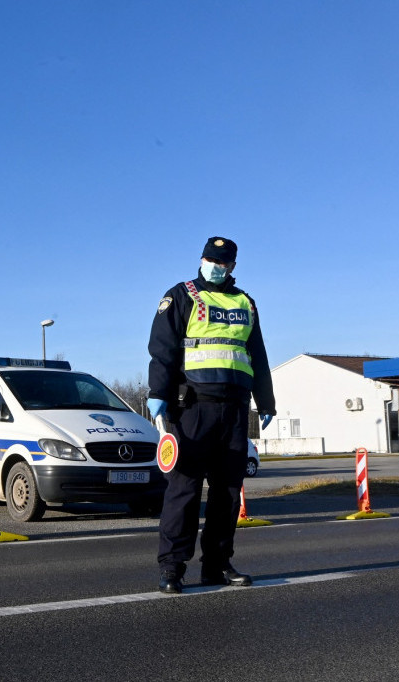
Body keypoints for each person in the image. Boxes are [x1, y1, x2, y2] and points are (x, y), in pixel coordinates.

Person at [147, 237, 275, 594]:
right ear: (202, 259)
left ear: (232, 266)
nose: (215, 265)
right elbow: (163, 350)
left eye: (222, 261)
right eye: (210, 259)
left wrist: (266, 401)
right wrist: (158, 394)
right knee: (184, 490)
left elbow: (257, 353)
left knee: (228, 493)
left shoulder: (245, 302)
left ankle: (217, 565)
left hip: (234, 409)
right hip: (193, 408)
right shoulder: (181, 295)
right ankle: (172, 568)